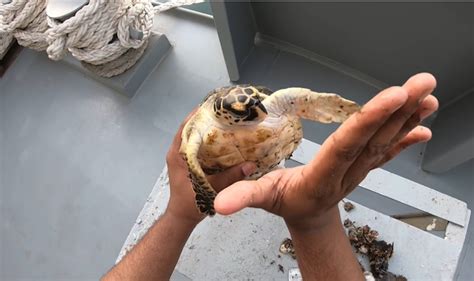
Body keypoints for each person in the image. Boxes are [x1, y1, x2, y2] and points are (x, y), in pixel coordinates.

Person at [102, 73, 438, 281]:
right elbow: (189, 155)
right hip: (224, 162)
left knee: (294, 100)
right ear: (221, 111)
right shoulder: (201, 128)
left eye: (256, 107)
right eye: (241, 112)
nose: (253, 112)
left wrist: (352, 114)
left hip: (272, 150)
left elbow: (302, 103)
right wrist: (196, 201)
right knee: (189, 153)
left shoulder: (268, 106)